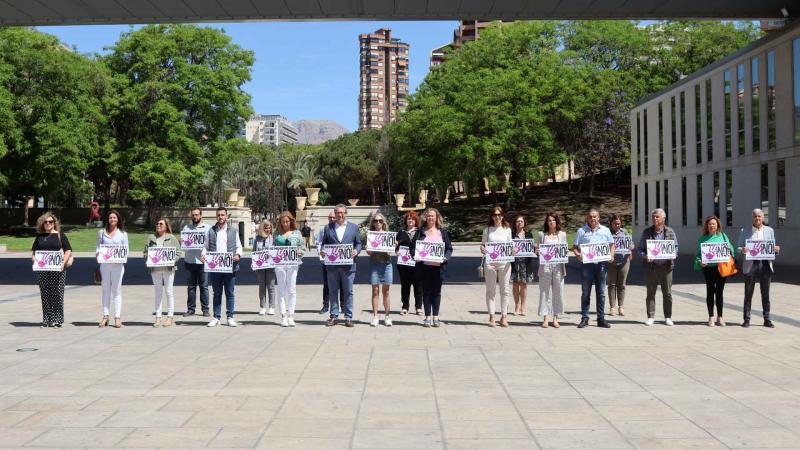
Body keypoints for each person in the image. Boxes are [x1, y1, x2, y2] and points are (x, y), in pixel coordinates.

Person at [320, 204, 362, 327]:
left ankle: (348, 317)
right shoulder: (328, 228)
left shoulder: (353, 227)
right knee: (333, 291)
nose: (340, 215)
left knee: (348, 291)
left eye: (342, 212)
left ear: (345, 213)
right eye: (337, 213)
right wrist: (323, 250)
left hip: (349, 266)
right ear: (335, 214)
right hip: (332, 266)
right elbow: (324, 244)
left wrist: (356, 251)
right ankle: (333, 316)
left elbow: (359, 244)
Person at [573, 209, 616, 329]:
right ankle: (584, 318)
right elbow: (575, 247)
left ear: (599, 218)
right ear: (587, 218)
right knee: (586, 293)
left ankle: (601, 319)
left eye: (595, 216)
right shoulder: (581, 231)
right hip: (587, 266)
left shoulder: (606, 230)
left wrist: (611, 255)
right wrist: (578, 255)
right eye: (591, 217)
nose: (593, 219)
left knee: (601, 293)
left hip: (601, 265)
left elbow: (612, 245)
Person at [738, 208, 779, 328]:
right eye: (755, 216)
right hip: (750, 265)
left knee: (765, 293)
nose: (757, 218)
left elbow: (772, 247)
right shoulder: (744, 230)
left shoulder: (769, 230)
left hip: (765, 264)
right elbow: (738, 247)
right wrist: (742, 249)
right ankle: (746, 319)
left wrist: (776, 250)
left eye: (759, 216)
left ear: (763, 218)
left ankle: (767, 319)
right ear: (752, 218)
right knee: (748, 293)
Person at [202, 207, 243, 327]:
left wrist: (238, 255)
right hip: (215, 268)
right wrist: (203, 255)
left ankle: (230, 317)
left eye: (223, 215)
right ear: (216, 217)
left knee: (230, 293)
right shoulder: (211, 231)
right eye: (219, 215)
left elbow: (239, 246)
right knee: (217, 292)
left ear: (226, 216)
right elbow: (205, 246)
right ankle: (216, 317)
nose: (221, 217)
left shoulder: (233, 231)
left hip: (230, 267)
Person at [413, 208, 453, 328]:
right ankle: (427, 317)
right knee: (426, 292)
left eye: (432, 216)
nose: (430, 218)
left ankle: (435, 317)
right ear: (426, 217)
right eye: (428, 216)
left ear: (436, 218)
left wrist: (445, 258)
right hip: (424, 267)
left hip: (438, 268)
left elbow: (449, 249)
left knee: (436, 292)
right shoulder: (420, 232)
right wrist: (415, 256)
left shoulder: (442, 232)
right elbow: (412, 247)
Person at [31, 212, 72, 328]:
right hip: (43, 270)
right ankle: (47, 319)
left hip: (58, 270)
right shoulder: (39, 237)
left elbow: (68, 250)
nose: (48, 224)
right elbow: (34, 252)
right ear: (42, 224)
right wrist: (34, 260)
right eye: (46, 222)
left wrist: (63, 262)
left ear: (54, 223)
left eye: (50, 222)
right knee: (45, 294)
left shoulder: (60, 235)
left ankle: (57, 319)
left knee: (57, 293)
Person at [637, 209, 676, 326]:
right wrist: (646, 256)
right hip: (651, 267)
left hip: (666, 266)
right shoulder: (647, 232)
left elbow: (676, 247)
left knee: (667, 293)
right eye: (653, 217)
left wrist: (672, 255)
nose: (654, 219)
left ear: (663, 218)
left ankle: (668, 316)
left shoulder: (670, 231)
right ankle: (650, 316)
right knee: (650, 292)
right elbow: (640, 249)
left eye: (657, 217)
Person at [694, 215, 735, 327]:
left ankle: (720, 317)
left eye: (714, 224)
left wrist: (728, 250)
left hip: (721, 268)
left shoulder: (723, 236)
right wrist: (699, 262)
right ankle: (711, 316)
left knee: (719, 292)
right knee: (710, 291)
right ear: (707, 226)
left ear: (717, 225)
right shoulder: (702, 239)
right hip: (708, 269)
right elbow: (698, 255)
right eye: (710, 224)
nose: (712, 226)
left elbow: (731, 249)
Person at [481, 206, 514, 327]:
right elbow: (483, 245)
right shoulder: (487, 230)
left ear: (502, 216)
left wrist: (513, 251)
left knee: (505, 290)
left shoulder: (507, 230)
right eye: (495, 215)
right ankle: (492, 316)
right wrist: (482, 249)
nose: (497, 217)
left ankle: (504, 316)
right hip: (490, 263)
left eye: (499, 214)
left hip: (504, 263)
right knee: (490, 291)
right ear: (491, 216)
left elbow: (511, 246)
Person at [96, 209, 128, 328]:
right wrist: (98, 254)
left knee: (116, 290)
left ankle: (117, 317)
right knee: (105, 290)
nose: (112, 219)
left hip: (118, 266)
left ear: (118, 219)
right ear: (107, 220)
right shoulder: (101, 232)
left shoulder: (123, 233)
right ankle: (105, 316)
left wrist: (120, 257)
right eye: (110, 218)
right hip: (105, 265)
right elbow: (98, 247)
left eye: (114, 217)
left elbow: (126, 250)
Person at [144, 218, 180, 327]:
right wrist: (147, 259)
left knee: (169, 292)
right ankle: (158, 317)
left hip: (168, 269)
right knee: (158, 292)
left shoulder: (172, 238)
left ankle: (170, 316)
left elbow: (178, 252)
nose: (158, 225)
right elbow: (145, 252)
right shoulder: (151, 238)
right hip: (155, 269)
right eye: (157, 223)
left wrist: (172, 260)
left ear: (166, 226)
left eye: (161, 223)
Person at [536, 213, 567, 328]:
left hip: (558, 267)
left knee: (558, 292)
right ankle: (545, 318)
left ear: (557, 222)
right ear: (546, 222)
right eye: (549, 220)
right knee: (545, 292)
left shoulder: (562, 235)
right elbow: (538, 250)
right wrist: (537, 252)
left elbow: (564, 251)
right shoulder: (542, 235)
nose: (551, 222)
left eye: (553, 220)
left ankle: (555, 317)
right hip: (545, 267)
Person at [274, 211, 304, 327]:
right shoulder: (276, 234)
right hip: (280, 265)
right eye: (283, 222)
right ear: (280, 223)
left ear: (291, 221)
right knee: (281, 290)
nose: (285, 224)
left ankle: (291, 315)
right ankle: (283, 316)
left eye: (287, 221)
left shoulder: (297, 233)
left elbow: (302, 248)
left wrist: (299, 252)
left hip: (293, 264)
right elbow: (272, 249)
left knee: (292, 289)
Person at [182, 208, 210, 317]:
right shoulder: (186, 228)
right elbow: (184, 244)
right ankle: (191, 309)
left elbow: (210, 245)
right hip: (189, 261)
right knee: (191, 287)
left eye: (197, 215)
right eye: (193, 215)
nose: (195, 217)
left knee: (204, 287)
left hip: (203, 262)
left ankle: (205, 309)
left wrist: (206, 255)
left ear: (201, 215)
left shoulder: (208, 228)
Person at [367, 212, 393, 326]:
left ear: (383, 223)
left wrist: (394, 245)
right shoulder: (370, 235)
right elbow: (369, 251)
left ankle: (387, 316)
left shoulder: (388, 235)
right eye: (376, 221)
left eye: (380, 221)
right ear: (373, 223)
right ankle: (375, 316)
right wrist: (369, 249)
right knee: (375, 290)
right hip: (375, 264)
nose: (378, 223)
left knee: (386, 291)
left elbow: (393, 250)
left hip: (387, 264)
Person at [395, 210, 422, 315]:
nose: (410, 221)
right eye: (408, 219)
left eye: (412, 219)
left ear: (416, 221)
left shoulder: (420, 232)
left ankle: (418, 307)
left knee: (418, 286)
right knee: (405, 286)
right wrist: (397, 251)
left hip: (417, 264)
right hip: (404, 264)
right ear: (406, 221)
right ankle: (405, 306)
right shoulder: (401, 232)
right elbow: (396, 247)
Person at [608, 214, 634, 317]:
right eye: (615, 224)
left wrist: (630, 250)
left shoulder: (625, 232)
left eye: (619, 224)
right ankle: (612, 307)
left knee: (622, 285)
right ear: (611, 223)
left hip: (624, 261)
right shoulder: (607, 233)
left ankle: (621, 306)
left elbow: (631, 245)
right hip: (611, 262)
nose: (617, 225)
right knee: (612, 284)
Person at [510, 215, 535, 316]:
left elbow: (532, 249)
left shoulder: (529, 235)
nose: (519, 223)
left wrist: (535, 248)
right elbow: (507, 248)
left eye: (521, 221)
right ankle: (517, 305)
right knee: (515, 285)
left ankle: (523, 306)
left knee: (524, 285)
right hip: (514, 263)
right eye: (517, 221)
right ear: (515, 224)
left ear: (524, 223)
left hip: (525, 263)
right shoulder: (511, 235)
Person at [253, 219, 277, 316]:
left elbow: (276, 251)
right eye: (266, 228)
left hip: (271, 266)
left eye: (269, 228)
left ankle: (271, 307)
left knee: (271, 286)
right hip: (260, 266)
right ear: (262, 228)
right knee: (261, 286)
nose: (267, 229)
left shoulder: (273, 238)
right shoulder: (257, 239)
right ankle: (263, 306)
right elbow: (254, 251)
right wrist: (253, 262)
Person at [317, 212, 338, 314]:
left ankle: (342, 305)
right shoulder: (324, 229)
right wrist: (321, 254)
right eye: (330, 217)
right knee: (326, 283)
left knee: (342, 284)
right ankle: (326, 305)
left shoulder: (339, 228)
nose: (332, 219)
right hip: (327, 261)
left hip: (339, 260)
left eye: (334, 217)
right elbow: (319, 243)